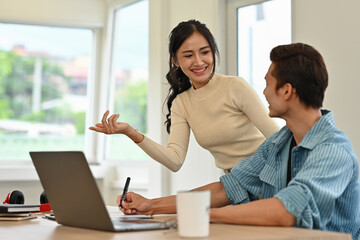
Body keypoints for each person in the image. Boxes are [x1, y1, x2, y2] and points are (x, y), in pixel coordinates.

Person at [117, 43, 360, 239]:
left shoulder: (333, 150)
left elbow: (286, 211)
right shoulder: (278, 144)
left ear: (286, 91)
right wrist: (151, 206)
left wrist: (204, 213)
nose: (264, 92)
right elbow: (228, 188)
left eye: (268, 84)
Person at [89, 20, 279, 173]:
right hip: (235, 183)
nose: (199, 62)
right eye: (188, 55)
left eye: (205, 52)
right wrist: (131, 133)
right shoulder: (181, 103)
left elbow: (278, 138)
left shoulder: (235, 86)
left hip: (269, 174)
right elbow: (175, 161)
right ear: (175, 61)